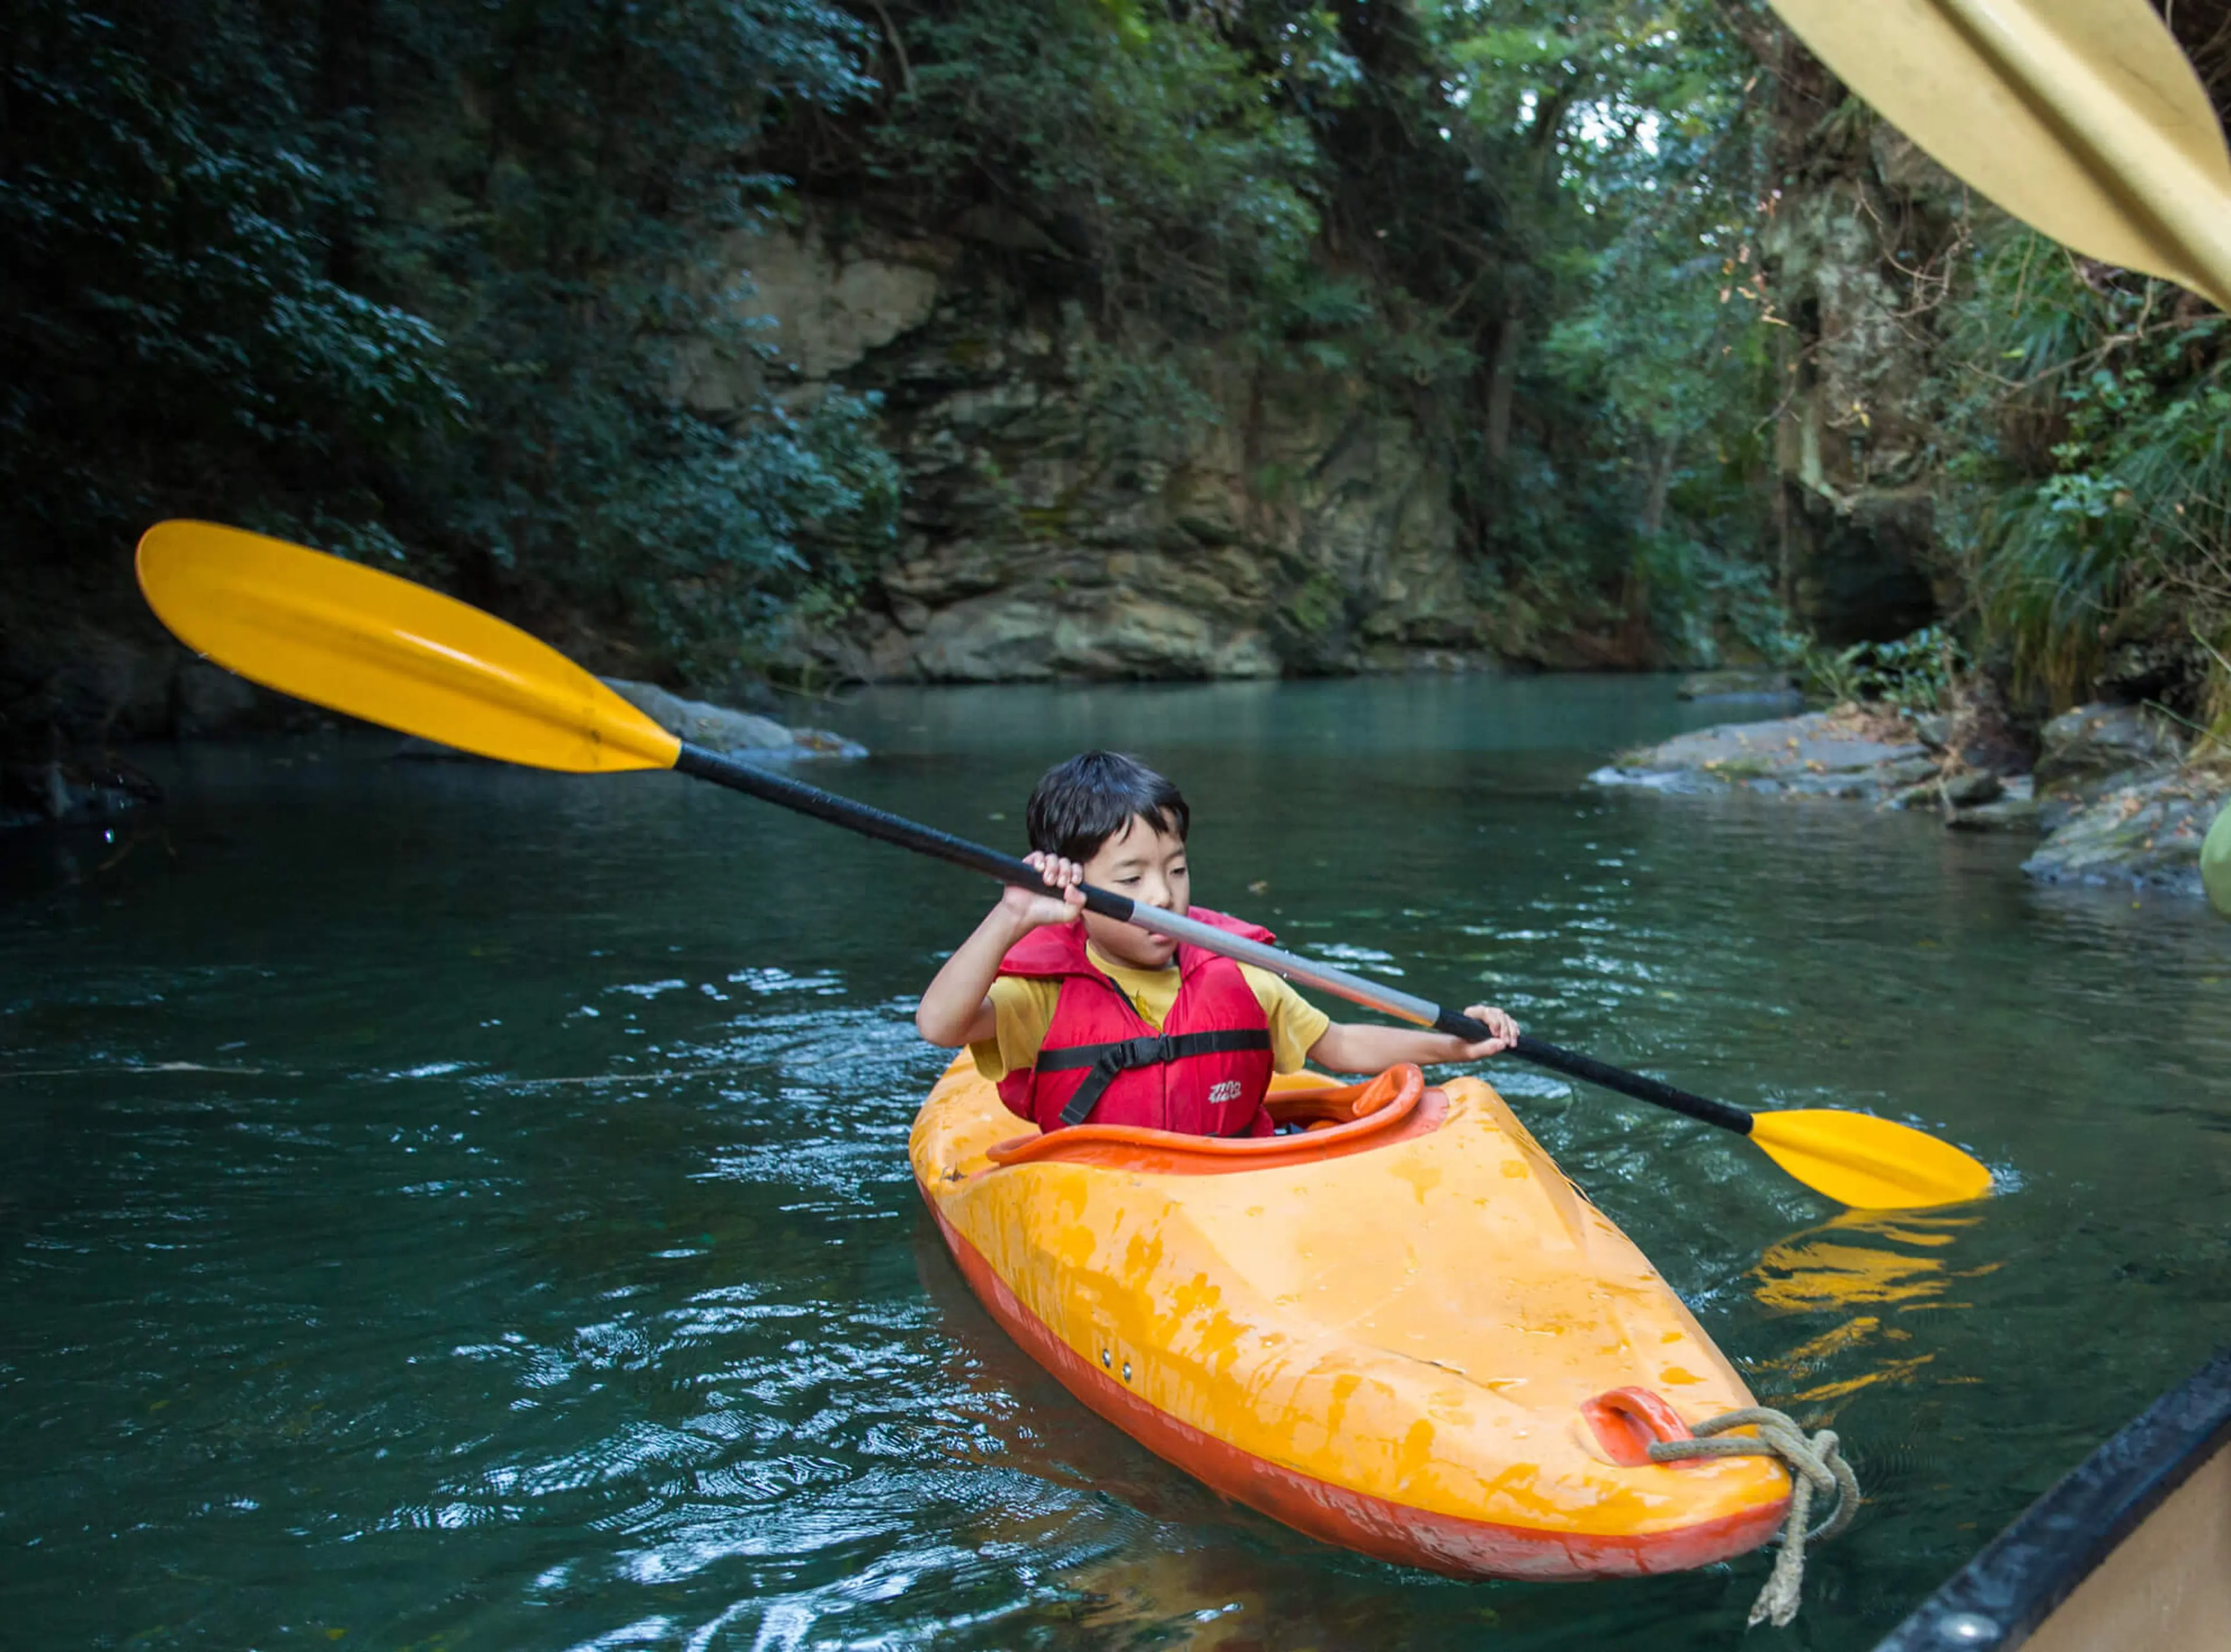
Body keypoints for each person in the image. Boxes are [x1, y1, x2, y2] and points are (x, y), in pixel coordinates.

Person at [914, 750, 1520, 1137]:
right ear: (1076, 890)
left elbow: (1338, 1045)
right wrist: (1012, 916)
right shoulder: (1040, 999)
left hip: (1232, 1185)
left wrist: (1451, 1046)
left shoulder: (1240, 977)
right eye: (1130, 880)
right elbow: (941, 1026)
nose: (1161, 895)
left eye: (1176, 869)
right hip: (1098, 1195)